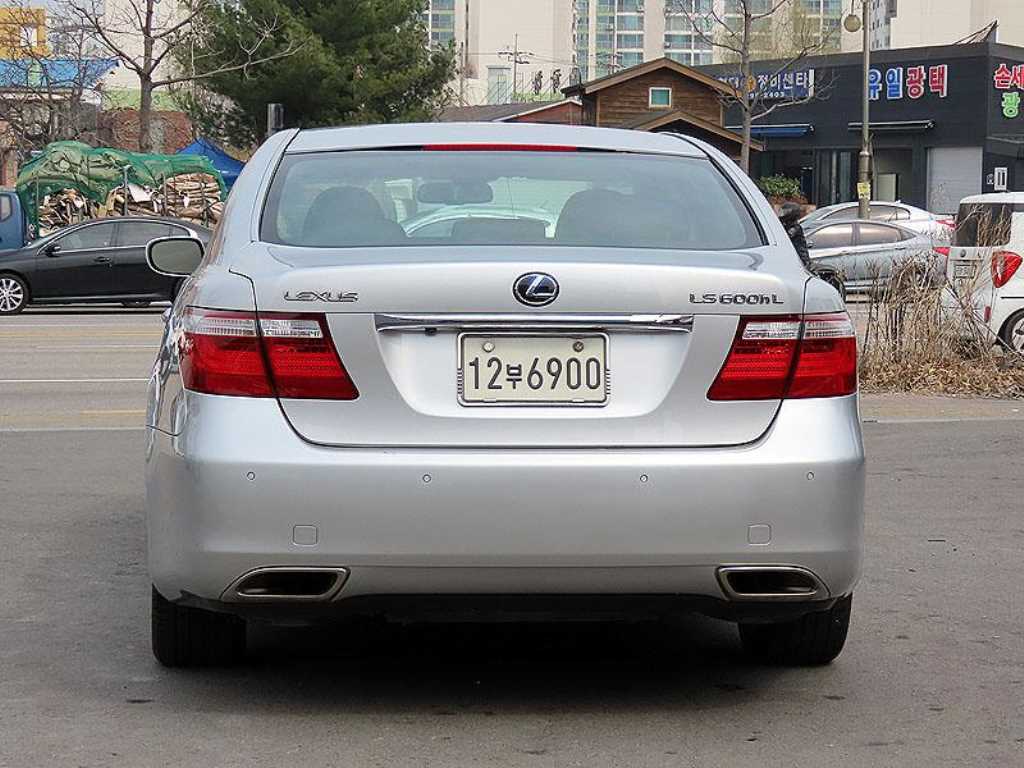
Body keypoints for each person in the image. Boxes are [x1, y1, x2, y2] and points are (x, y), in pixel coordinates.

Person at [778, 202, 811, 268]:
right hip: (792, 257)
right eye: (782, 211)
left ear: (792, 213)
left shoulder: (795, 227)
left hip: (801, 258)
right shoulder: (785, 225)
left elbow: (785, 237)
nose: (782, 214)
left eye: (785, 212)